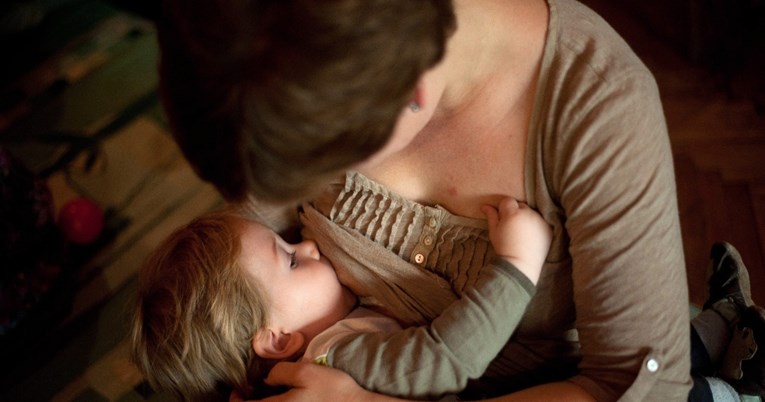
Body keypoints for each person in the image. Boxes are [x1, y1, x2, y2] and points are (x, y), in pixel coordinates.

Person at [155, 0, 763, 400]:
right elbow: (234, 266)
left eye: (318, 167)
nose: (304, 230)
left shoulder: (598, 106)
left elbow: (639, 386)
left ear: (409, 88)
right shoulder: (278, 66)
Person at [130, 196, 552, 401]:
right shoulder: (340, 358)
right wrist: (516, 264)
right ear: (278, 340)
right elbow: (447, 357)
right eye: (292, 260)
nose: (309, 247)